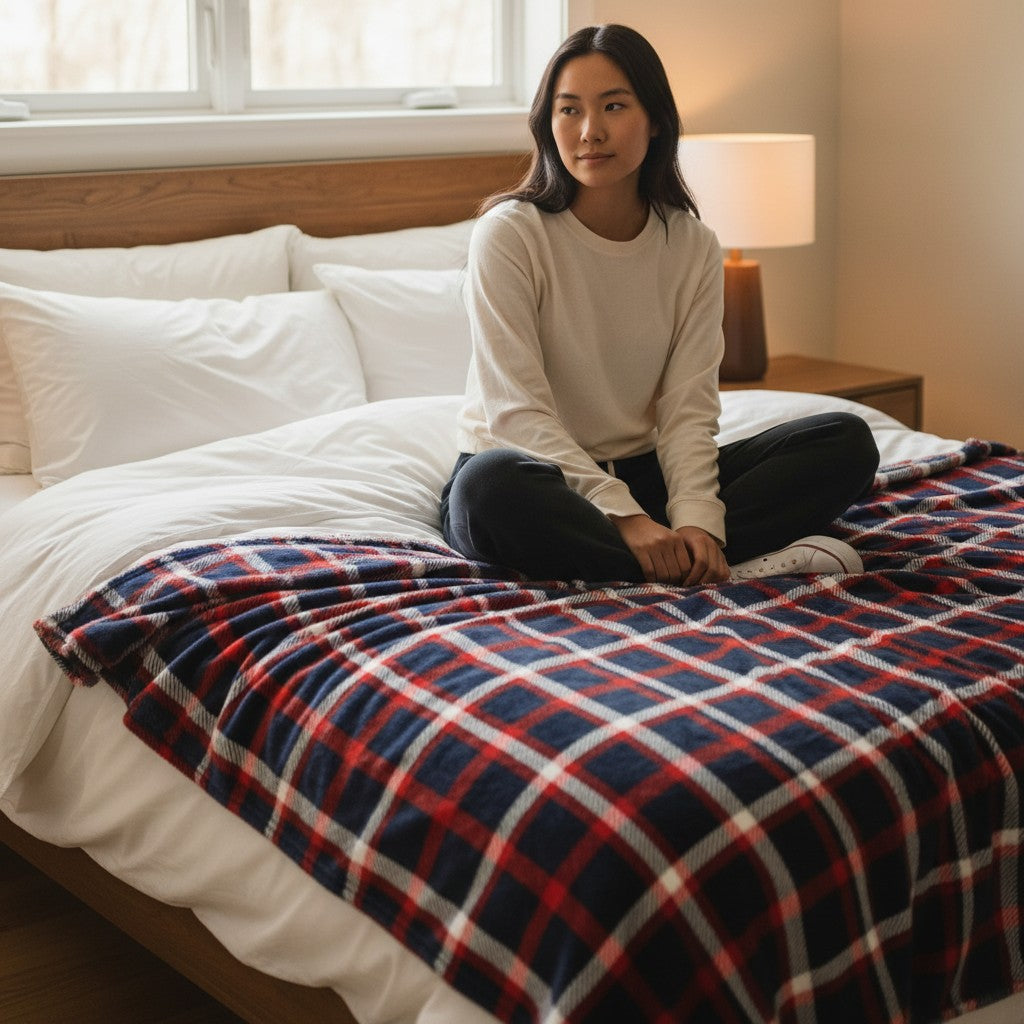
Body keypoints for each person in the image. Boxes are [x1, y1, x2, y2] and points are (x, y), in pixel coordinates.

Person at [441, 23, 879, 587]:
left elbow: (687, 409)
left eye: (614, 106)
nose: (590, 131)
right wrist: (622, 515)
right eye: (568, 110)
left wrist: (699, 519)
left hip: (647, 476)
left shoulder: (692, 246)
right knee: (490, 490)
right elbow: (515, 414)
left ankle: (687, 555)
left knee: (844, 441)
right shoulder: (510, 234)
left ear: (656, 120)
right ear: (548, 126)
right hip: (535, 473)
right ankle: (709, 564)